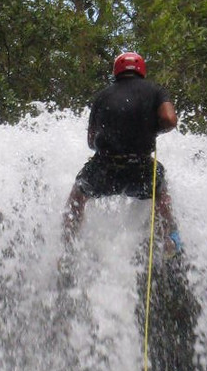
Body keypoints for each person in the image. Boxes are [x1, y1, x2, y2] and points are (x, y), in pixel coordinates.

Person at [63, 51, 183, 257]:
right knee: (160, 190)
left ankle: (68, 248)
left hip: (104, 169)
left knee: (77, 196)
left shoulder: (102, 96)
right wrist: (153, 130)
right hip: (141, 169)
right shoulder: (156, 91)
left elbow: (91, 142)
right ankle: (170, 238)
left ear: (116, 71)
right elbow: (170, 120)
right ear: (141, 70)